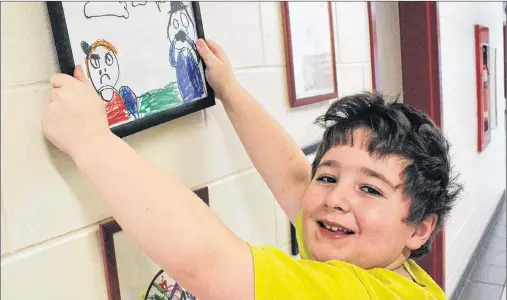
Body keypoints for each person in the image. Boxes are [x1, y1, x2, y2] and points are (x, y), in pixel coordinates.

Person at [42, 38, 461, 300]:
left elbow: (212, 264)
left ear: (420, 228)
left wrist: (92, 143)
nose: (335, 198)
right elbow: (295, 176)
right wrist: (229, 89)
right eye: (329, 176)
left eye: (370, 190)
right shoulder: (382, 261)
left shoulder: (359, 293)